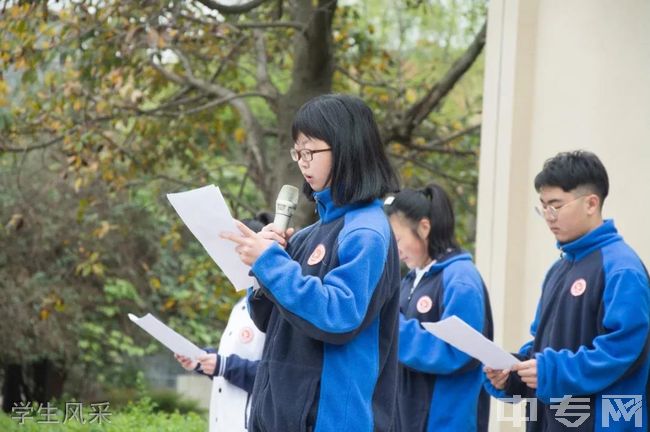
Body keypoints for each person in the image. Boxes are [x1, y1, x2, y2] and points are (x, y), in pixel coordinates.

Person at [221, 94, 401, 432]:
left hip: (332, 420)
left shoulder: (367, 231)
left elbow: (339, 316)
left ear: (347, 148)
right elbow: (266, 320)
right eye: (297, 152)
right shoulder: (308, 235)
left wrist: (273, 265)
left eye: (310, 151)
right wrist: (264, 271)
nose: (302, 163)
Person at [484, 150, 650, 431]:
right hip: (554, 419)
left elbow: (621, 352)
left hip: (605, 421)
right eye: (543, 206)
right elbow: (542, 346)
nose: (549, 216)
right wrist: (513, 372)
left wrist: (549, 371)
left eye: (556, 205)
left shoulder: (622, 268)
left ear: (591, 203)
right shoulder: (559, 270)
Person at [383, 184, 493, 432]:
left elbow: (457, 353)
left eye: (397, 239)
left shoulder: (460, 278)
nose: (394, 249)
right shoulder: (410, 279)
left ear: (424, 227)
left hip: (446, 421)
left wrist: (390, 326)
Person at [175, 215, 270, 432]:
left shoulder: (276, 307)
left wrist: (223, 365)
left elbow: (276, 376)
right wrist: (201, 360)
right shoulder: (240, 306)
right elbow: (229, 361)